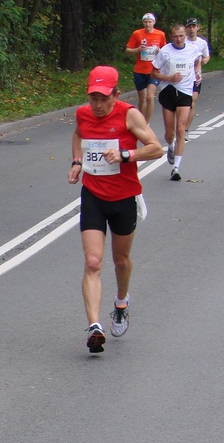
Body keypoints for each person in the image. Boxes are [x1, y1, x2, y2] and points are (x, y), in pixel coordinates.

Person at [68, 65, 163, 353]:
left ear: (116, 94)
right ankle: (94, 326)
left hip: (124, 197)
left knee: (120, 260)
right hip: (94, 195)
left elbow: (156, 148)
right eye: (93, 98)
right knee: (93, 262)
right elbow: (78, 135)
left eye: (104, 98)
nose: (97, 105)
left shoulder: (128, 114)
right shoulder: (83, 114)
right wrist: (76, 162)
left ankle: (121, 302)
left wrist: (125, 154)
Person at [152, 22, 203, 181]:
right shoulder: (165, 51)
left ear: (185, 35)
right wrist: (168, 78)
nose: (179, 39)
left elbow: (197, 62)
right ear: (171, 36)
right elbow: (154, 73)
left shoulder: (193, 49)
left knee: (181, 129)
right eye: (175, 36)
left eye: (181, 36)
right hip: (168, 91)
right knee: (170, 133)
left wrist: (198, 73)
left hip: (185, 92)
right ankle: (171, 146)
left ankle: (176, 168)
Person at [125, 13, 167, 122]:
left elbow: (166, 51)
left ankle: (146, 123)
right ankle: (141, 121)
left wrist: (160, 51)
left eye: (150, 22)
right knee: (142, 98)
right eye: (145, 22)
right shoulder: (137, 34)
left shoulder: (160, 34)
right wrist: (137, 50)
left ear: (154, 22)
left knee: (149, 96)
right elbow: (127, 50)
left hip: (154, 70)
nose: (148, 24)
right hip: (140, 69)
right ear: (143, 22)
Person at [183, 18, 210, 139]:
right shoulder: (182, 41)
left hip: (195, 76)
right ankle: (180, 127)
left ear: (197, 28)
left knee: (192, 103)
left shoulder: (202, 43)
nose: (192, 29)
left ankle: (186, 129)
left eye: (194, 26)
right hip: (183, 77)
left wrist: (204, 60)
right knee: (182, 104)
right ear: (186, 28)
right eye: (189, 27)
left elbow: (206, 56)